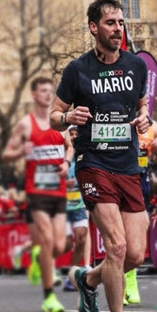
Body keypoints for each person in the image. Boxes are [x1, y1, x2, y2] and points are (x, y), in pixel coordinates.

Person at [50, 0, 151, 312]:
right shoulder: (78, 70)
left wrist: (145, 118)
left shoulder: (136, 66)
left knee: (134, 255)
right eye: (110, 23)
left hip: (128, 166)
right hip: (94, 163)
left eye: (121, 23)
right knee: (117, 246)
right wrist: (68, 117)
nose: (118, 29)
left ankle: (87, 278)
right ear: (94, 28)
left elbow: (142, 105)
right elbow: (54, 116)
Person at [2, 77, 73, 312]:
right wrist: (20, 152)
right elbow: (7, 154)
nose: (48, 95)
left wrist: (66, 162)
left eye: (51, 91)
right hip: (37, 191)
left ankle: (37, 256)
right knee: (48, 240)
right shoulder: (25, 124)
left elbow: (70, 146)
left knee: (60, 245)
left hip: (58, 191)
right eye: (43, 91)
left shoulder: (59, 123)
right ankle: (49, 296)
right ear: (34, 95)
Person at [124, 118, 157, 305]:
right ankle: (123, 282)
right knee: (123, 233)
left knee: (140, 230)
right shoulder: (121, 118)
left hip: (143, 182)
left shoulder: (153, 126)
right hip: (123, 178)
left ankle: (130, 276)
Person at [62, 125, 91, 292]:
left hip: (79, 204)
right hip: (63, 206)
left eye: (76, 134)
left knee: (81, 239)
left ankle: (71, 276)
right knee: (66, 245)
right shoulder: (62, 156)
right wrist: (63, 183)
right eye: (71, 134)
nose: (73, 137)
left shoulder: (84, 155)